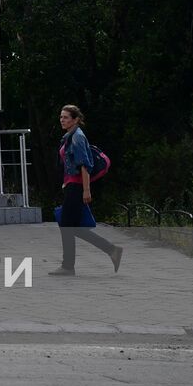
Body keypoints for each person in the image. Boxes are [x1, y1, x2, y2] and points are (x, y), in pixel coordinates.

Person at [51, 104, 123, 276]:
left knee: (67, 225)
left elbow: (85, 165)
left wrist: (86, 190)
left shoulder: (77, 137)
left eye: (66, 117)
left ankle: (68, 266)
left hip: (77, 186)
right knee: (71, 226)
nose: (62, 120)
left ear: (75, 119)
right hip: (71, 185)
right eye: (61, 117)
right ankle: (111, 250)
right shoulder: (69, 136)